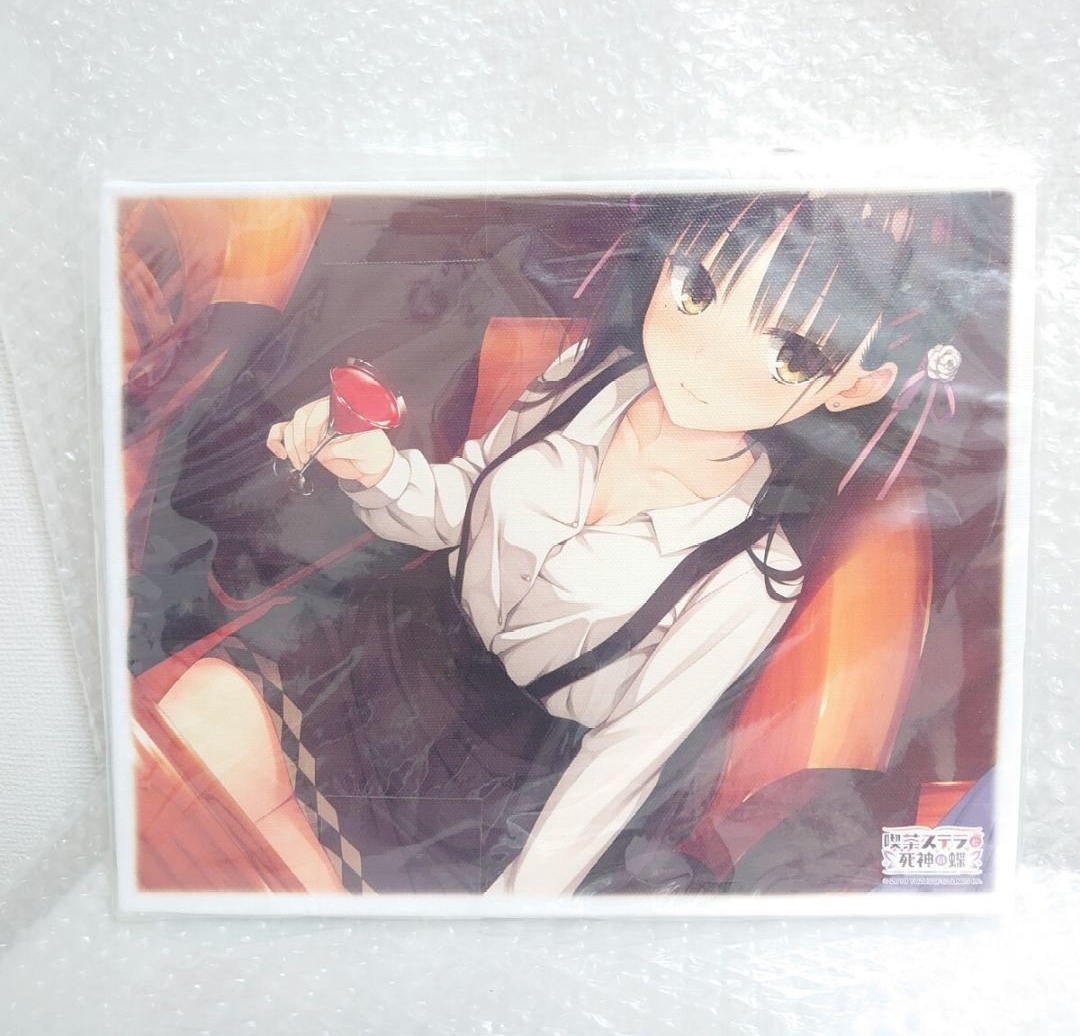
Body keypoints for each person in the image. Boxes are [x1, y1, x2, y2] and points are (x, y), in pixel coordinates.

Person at [161, 191, 971, 895]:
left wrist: (517, 910)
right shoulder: (588, 375)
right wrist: (375, 469)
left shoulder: (750, 572)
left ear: (855, 384)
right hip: (374, 655)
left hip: (483, 785)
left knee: (270, 913)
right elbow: (459, 508)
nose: (703, 356)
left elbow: (625, 762)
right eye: (697, 288)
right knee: (170, 767)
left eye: (791, 353)